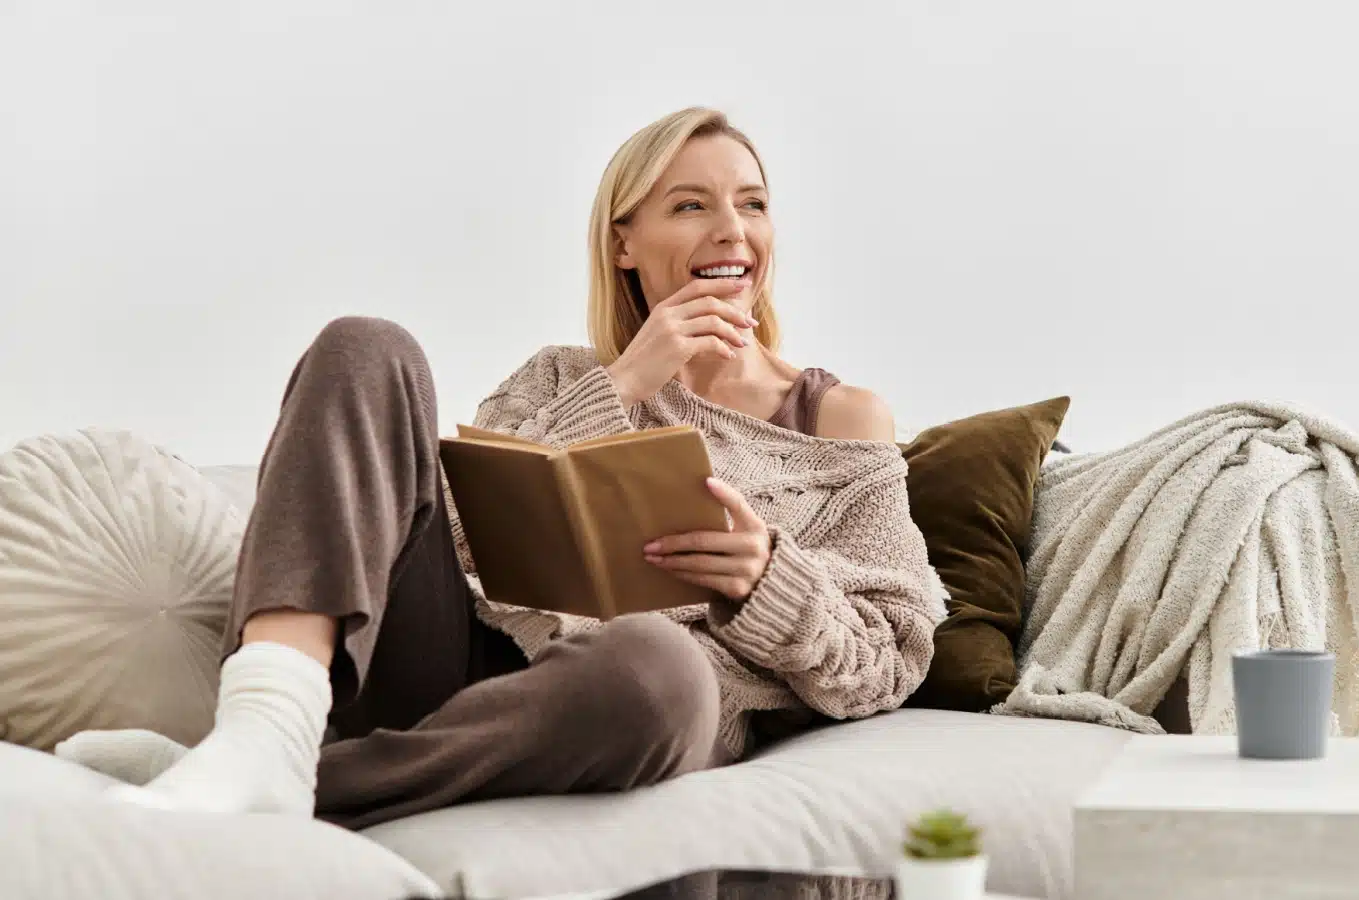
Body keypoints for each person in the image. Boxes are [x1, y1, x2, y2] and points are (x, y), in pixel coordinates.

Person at [55, 106, 943, 830]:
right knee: (368, 345)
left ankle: (256, 776)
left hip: (614, 701)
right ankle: (265, 718)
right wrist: (622, 382)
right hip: (461, 657)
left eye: (752, 203)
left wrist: (766, 583)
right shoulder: (558, 376)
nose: (731, 231)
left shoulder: (841, 419)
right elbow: (437, 528)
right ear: (624, 243)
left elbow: (892, 656)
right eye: (690, 206)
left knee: (658, 664)